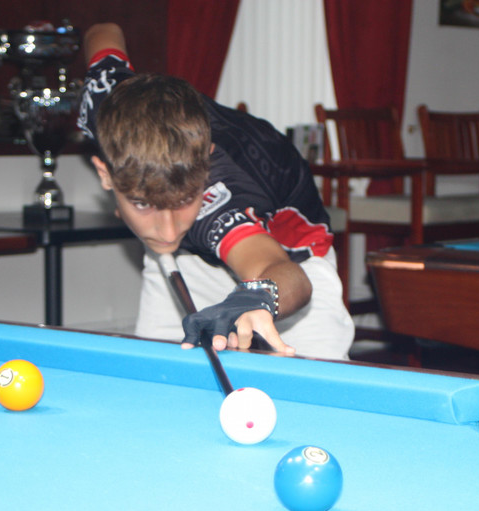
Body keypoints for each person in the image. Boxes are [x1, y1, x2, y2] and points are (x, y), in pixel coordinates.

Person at [78, 23, 354, 361]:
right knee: (161, 375)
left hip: (287, 261)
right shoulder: (108, 102)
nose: (167, 231)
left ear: (206, 166)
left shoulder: (219, 203)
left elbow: (284, 273)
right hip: (189, 259)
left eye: (184, 200)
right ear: (105, 174)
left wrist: (258, 297)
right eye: (143, 203)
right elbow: (104, 32)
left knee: (312, 389)